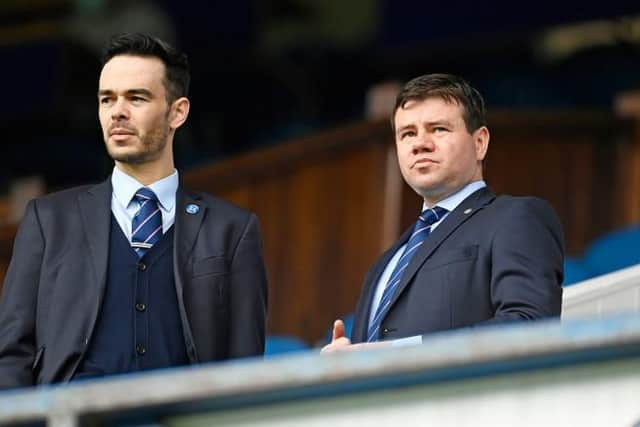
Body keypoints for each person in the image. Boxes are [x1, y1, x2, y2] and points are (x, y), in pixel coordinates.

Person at [0, 33, 268, 388]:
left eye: (136, 98)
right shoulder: (48, 221)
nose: (117, 111)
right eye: (106, 99)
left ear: (178, 112)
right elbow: (11, 355)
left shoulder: (232, 230)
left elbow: (245, 372)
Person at [323, 73, 563, 352]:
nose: (420, 143)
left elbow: (530, 327)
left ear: (480, 143)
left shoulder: (516, 217)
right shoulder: (386, 263)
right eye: (408, 133)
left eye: (438, 129)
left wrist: (393, 354)